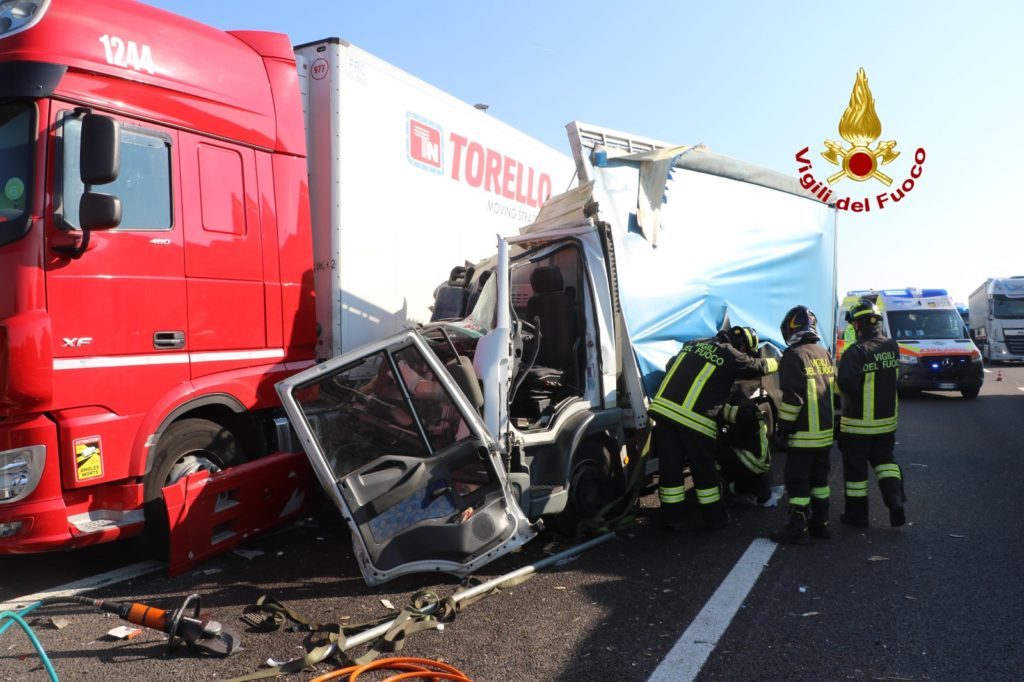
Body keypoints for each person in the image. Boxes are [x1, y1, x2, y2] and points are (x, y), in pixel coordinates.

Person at [651, 326, 779, 530]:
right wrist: (781, 361)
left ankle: (672, 520)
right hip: (694, 421)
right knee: (704, 472)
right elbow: (758, 367)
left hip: (663, 413)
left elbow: (670, 365)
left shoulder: (693, 344)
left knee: (670, 471)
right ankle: (715, 520)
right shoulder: (731, 354)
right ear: (743, 346)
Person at [770, 306, 836, 544]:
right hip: (825, 435)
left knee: (798, 482)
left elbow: (792, 400)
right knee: (820, 482)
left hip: (803, 436)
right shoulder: (823, 352)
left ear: (790, 328)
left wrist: (783, 429)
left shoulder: (793, 355)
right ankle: (821, 524)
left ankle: (797, 527)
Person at [836, 298, 905, 527]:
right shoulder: (891, 346)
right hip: (886, 423)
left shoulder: (855, 351)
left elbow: (846, 385)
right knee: (885, 463)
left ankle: (857, 517)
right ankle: (895, 501)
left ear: (858, 325)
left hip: (857, 426)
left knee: (856, 474)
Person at [717, 387, 773, 506]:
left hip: (753, 461)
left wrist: (723, 434)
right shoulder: (744, 404)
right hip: (760, 459)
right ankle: (755, 488)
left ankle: (729, 488)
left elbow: (735, 438)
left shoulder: (743, 409)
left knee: (717, 451)